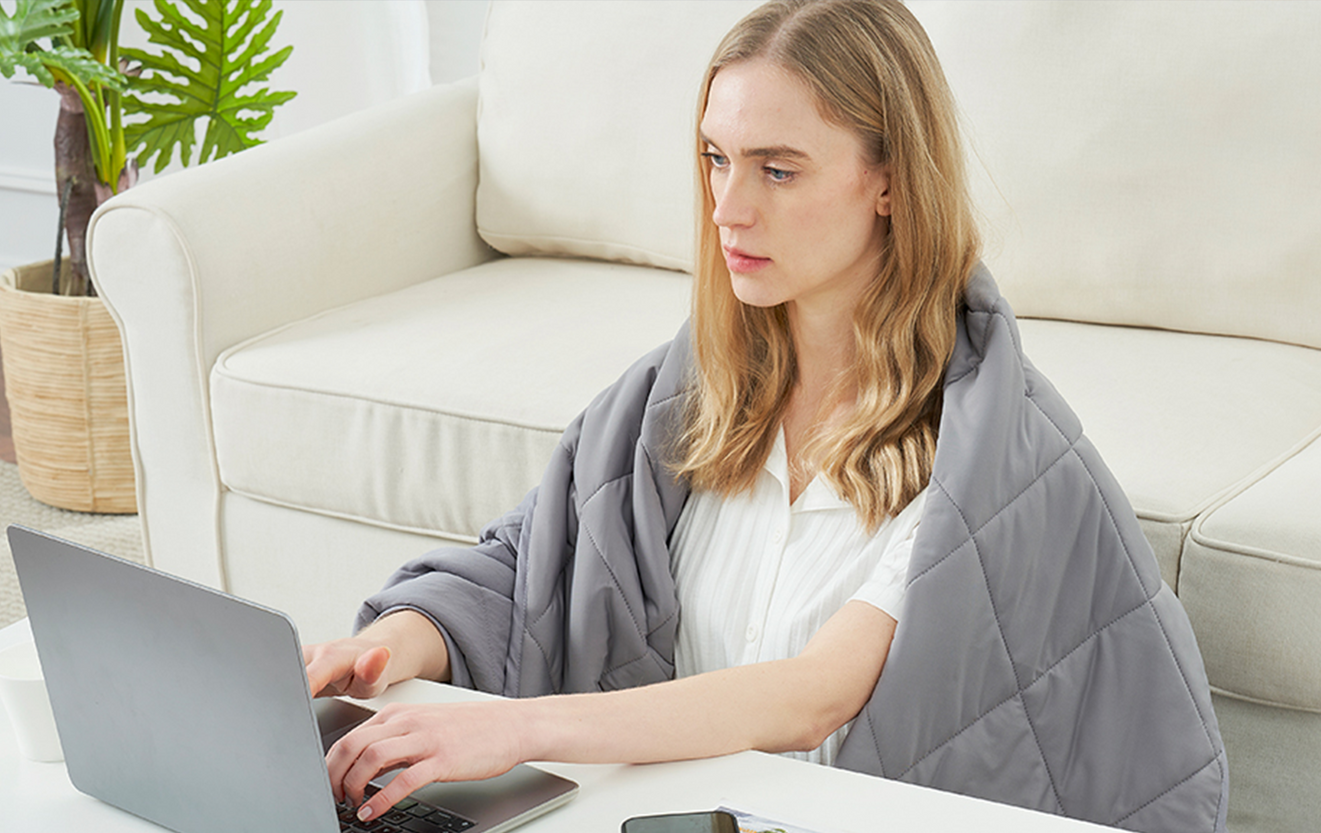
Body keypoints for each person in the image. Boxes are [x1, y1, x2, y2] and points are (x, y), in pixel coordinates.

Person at [304, 2, 1228, 831]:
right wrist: (386, 649)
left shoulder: (986, 450)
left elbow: (813, 694)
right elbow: (532, 566)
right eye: (716, 158)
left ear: (891, 183)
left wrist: (512, 731)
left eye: (778, 171)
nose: (728, 208)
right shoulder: (686, 396)